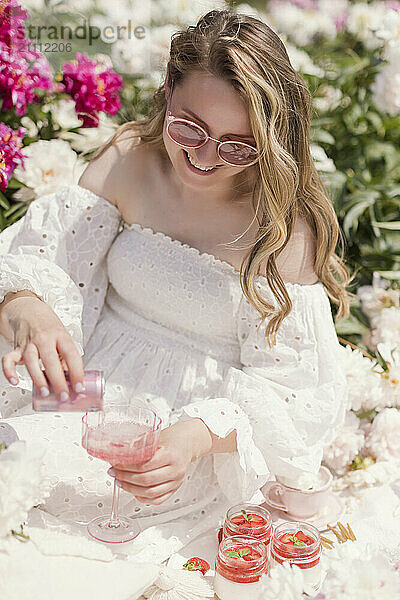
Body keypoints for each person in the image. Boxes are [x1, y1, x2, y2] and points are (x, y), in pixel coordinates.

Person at [0, 9, 350, 552]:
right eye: (190, 127)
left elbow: (292, 393)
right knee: (19, 466)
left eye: (238, 144)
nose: (206, 158)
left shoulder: (282, 226)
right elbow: (43, 261)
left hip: (188, 429)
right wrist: (26, 303)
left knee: (98, 532)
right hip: (90, 389)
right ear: (168, 89)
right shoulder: (129, 160)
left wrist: (195, 438)